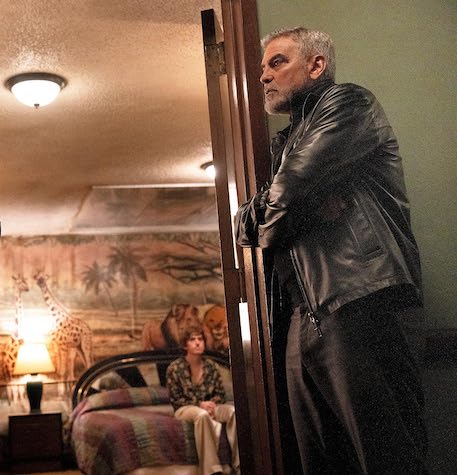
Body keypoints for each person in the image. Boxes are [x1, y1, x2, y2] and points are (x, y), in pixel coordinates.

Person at [235, 27, 426, 474]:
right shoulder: (284, 143)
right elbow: (243, 225)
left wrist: (282, 207)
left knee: (388, 461)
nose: (263, 76)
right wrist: (293, 206)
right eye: (263, 67)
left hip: (360, 298)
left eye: (277, 62)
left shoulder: (348, 104)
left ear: (316, 65)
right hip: (303, 318)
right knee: (321, 464)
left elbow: (288, 192)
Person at [166, 325, 239, 475]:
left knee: (232, 411)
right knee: (202, 415)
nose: (197, 343)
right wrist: (200, 404)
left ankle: (240, 464)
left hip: (211, 406)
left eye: (200, 339)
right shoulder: (174, 368)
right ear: (185, 345)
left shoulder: (211, 366)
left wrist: (212, 404)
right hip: (185, 408)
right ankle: (212, 469)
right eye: (192, 340)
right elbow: (176, 400)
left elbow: (221, 394)